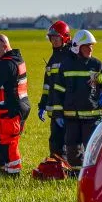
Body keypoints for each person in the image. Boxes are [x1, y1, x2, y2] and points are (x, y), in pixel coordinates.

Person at [52, 29, 102, 173]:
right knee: (72, 148)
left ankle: (92, 173)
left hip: (91, 116)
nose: (90, 49)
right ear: (77, 47)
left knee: (91, 148)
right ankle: (75, 173)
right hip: (71, 117)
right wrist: (58, 113)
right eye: (87, 46)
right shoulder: (66, 65)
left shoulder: (98, 65)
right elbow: (58, 90)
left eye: (91, 46)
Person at [0, 34, 30, 175]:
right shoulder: (17, 59)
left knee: (9, 143)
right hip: (21, 106)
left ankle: (13, 174)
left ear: (5, 47)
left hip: (9, 110)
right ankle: (10, 170)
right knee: (11, 142)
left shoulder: (5, 64)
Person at [37, 20, 72, 160]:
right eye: (52, 38)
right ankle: (56, 166)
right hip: (54, 109)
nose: (54, 40)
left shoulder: (70, 57)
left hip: (67, 108)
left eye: (56, 37)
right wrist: (42, 105)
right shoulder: (53, 57)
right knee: (55, 141)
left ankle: (67, 167)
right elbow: (47, 85)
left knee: (68, 142)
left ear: (65, 37)